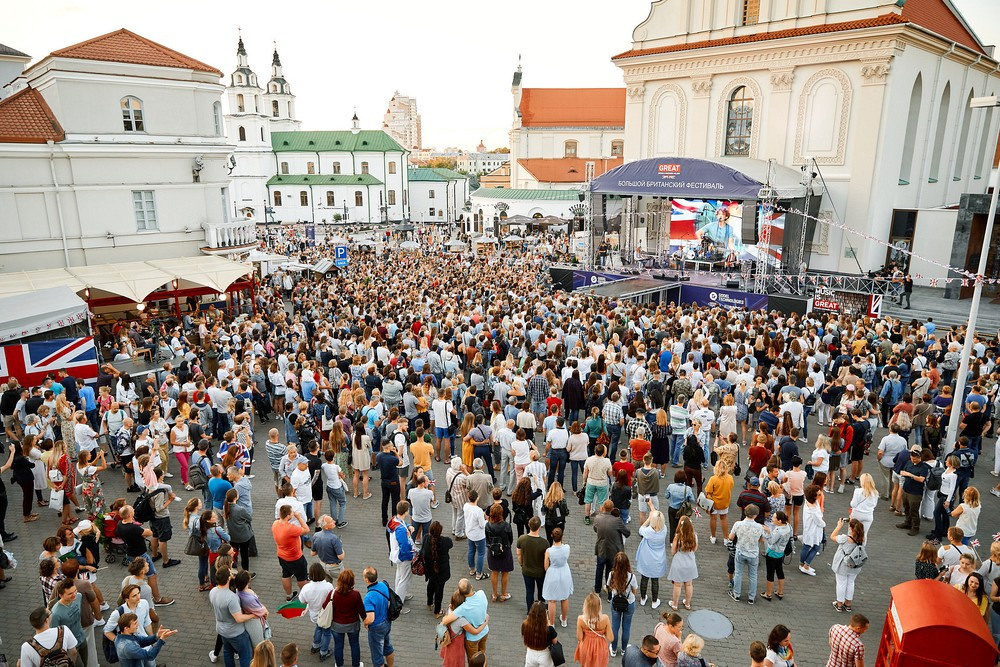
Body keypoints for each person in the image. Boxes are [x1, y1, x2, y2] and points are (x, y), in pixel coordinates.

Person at [210, 567, 256, 667]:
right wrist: (252, 615)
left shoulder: (213, 591)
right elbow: (239, 618)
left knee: (227, 652)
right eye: (230, 574)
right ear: (228, 579)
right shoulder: (231, 598)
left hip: (222, 630)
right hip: (236, 633)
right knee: (245, 655)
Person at [441, 577, 490, 663]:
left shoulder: (462, 608)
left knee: (473, 660)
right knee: (482, 654)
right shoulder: (481, 593)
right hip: (485, 632)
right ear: (471, 586)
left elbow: (445, 621)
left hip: (472, 639)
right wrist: (485, 622)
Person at [729, 504, 766, 604]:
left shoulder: (738, 524)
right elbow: (762, 540)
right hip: (753, 553)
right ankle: (751, 597)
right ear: (756, 515)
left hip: (740, 551)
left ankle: (736, 594)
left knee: (738, 573)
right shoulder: (759, 527)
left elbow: (731, 537)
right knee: (753, 575)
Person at [298, 562, 335, 661]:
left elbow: (302, 601)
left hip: (314, 615)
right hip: (326, 615)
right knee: (326, 632)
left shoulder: (306, 588)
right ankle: (324, 652)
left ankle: (315, 646)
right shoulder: (328, 586)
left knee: (318, 628)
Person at [272, 504, 309, 601]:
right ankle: (305, 597)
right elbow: (306, 530)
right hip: (295, 557)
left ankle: (289, 595)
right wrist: (299, 517)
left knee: (286, 574)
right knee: (301, 577)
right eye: (292, 512)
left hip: (282, 555)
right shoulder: (290, 528)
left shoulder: (275, 523)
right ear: (288, 515)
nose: (293, 513)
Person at [330, 568, 366, 667]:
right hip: (353, 624)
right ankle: (356, 665)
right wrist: (365, 620)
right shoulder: (356, 594)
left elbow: (325, 606)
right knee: (354, 645)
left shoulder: (333, 594)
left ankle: (339, 664)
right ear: (352, 581)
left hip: (337, 624)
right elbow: (361, 610)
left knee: (338, 646)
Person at [606, 551, 638, 658]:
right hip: (629, 603)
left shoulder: (612, 574)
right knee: (626, 627)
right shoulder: (632, 576)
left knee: (615, 626)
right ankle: (624, 650)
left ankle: (614, 649)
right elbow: (634, 590)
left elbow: (609, 586)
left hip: (615, 603)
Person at [593, 499, 629, 594]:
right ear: (612, 508)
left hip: (601, 548)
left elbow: (595, 529)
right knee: (611, 571)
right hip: (614, 550)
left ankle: (597, 590)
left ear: (603, 507)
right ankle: (609, 591)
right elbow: (627, 533)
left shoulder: (597, 518)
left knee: (599, 569)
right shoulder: (617, 520)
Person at [362, 567, 396, 667]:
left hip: (376, 627)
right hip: (387, 621)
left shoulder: (369, 597)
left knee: (377, 657)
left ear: (366, 580)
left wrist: (365, 623)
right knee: (388, 648)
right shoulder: (383, 585)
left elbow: (370, 619)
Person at [831, 518, 866, 613]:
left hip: (843, 565)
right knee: (850, 583)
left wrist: (839, 526)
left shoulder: (845, 538)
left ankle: (839, 604)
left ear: (851, 528)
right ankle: (848, 604)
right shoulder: (862, 539)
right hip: (855, 564)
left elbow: (832, 536)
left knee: (841, 583)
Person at [635, 507, 668, 609]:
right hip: (658, 559)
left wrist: (649, 519)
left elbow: (641, 530)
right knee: (655, 580)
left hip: (647, 558)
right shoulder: (664, 530)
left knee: (644, 578)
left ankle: (643, 598)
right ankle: (654, 601)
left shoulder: (649, 531)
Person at [421, 520, 454, 617]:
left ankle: (429, 602)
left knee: (431, 584)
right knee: (439, 590)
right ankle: (437, 611)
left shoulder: (426, 538)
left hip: (429, 569)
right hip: (442, 570)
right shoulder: (445, 541)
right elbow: (451, 544)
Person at [517, 516, 548, 613]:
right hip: (540, 572)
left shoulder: (522, 539)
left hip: (527, 571)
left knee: (529, 591)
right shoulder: (544, 543)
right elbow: (546, 559)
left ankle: (529, 612)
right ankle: (541, 611)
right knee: (541, 591)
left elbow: (518, 554)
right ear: (539, 527)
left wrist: (522, 564)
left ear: (529, 525)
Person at [387, 500, 415, 608]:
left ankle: (399, 595)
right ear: (406, 512)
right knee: (404, 579)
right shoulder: (401, 530)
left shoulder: (394, 520)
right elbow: (404, 545)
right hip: (403, 557)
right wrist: (411, 557)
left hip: (396, 555)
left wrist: (408, 526)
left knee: (399, 576)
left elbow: (402, 524)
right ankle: (398, 604)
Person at [896, 446, 929, 536]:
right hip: (906, 489)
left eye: (914, 459)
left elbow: (921, 479)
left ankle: (915, 527)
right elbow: (903, 471)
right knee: (906, 507)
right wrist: (904, 473)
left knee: (914, 510)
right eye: (911, 458)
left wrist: (910, 475)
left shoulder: (924, 467)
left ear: (919, 458)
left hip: (915, 492)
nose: (912, 460)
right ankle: (908, 522)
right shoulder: (909, 462)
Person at [668, 515, 698, 610]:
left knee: (677, 585)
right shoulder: (694, 536)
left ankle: (675, 604)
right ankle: (687, 603)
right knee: (689, 584)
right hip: (690, 563)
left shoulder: (678, 537)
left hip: (679, 563)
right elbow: (695, 549)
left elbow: (673, 551)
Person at [573, 592, 612, 667]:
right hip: (600, 648)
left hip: (585, 647)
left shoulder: (581, 619)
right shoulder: (605, 618)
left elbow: (579, 637)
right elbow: (611, 638)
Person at [484, 503, 513, 602]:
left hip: (492, 550)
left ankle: (494, 594)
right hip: (505, 550)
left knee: (494, 571)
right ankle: (503, 594)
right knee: (505, 572)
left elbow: (487, 539)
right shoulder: (506, 525)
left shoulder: (488, 525)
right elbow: (511, 539)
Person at [762, 510, 792, 601]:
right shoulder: (788, 526)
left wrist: (767, 531)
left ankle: (768, 594)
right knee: (780, 571)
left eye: (774, 517)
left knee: (770, 573)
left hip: (772, 553)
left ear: (779, 521)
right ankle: (780, 592)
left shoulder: (778, 531)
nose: (772, 518)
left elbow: (771, 541)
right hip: (781, 552)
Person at [703, 460, 734, 544]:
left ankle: (713, 537)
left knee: (713, 519)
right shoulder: (730, 478)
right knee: (723, 519)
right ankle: (725, 539)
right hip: (724, 502)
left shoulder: (713, 479)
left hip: (713, 503)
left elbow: (708, 491)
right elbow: (731, 487)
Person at [522, 600, 559, 667]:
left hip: (530, 653)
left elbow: (524, 636)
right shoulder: (549, 629)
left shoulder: (525, 624)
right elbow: (555, 642)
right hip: (545, 655)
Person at [799, 485, 826, 576]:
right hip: (814, 531)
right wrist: (824, 524)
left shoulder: (809, 502)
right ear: (813, 496)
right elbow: (819, 521)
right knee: (816, 547)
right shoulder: (813, 509)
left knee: (806, 546)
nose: (820, 495)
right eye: (819, 494)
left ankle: (802, 564)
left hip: (809, 529)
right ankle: (806, 566)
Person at [583, 444, 613, 522]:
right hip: (602, 483)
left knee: (588, 500)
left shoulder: (589, 459)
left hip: (591, 482)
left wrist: (584, 481)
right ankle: (600, 518)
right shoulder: (607, 461)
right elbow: (610, 474)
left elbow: (585, 472)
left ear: (595, 451)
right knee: (602, 502)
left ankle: (587, 517)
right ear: (603, 452)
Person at [311, 515, 345, 581]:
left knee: (327, 584)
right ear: (326, 527)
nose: (334, 521)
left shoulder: (316, 535)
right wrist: (341, 547)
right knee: (342, 583)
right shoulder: (334, 538)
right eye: (331, 521)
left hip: (323, 566)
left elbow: (313, 553)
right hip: (335, 568)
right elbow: (341, 557)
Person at [464, 489, 488, 580]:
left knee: (471, 551)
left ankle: (472, 569)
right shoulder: (478, 510)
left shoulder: (466, 506)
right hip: (478, 536)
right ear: (477, 498)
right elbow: (482, 525)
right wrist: (487, 520)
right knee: (481, 553)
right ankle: (479, 573)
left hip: (469, 533)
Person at [849, 473, 878, 545]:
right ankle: (861, 549)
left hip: (857, 514)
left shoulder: (858, 491)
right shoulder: (875, 492)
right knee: (864, 534)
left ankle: (850, 548)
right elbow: (874, 505)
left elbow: (853, 504)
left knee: (852, 533)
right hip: (868, 515)